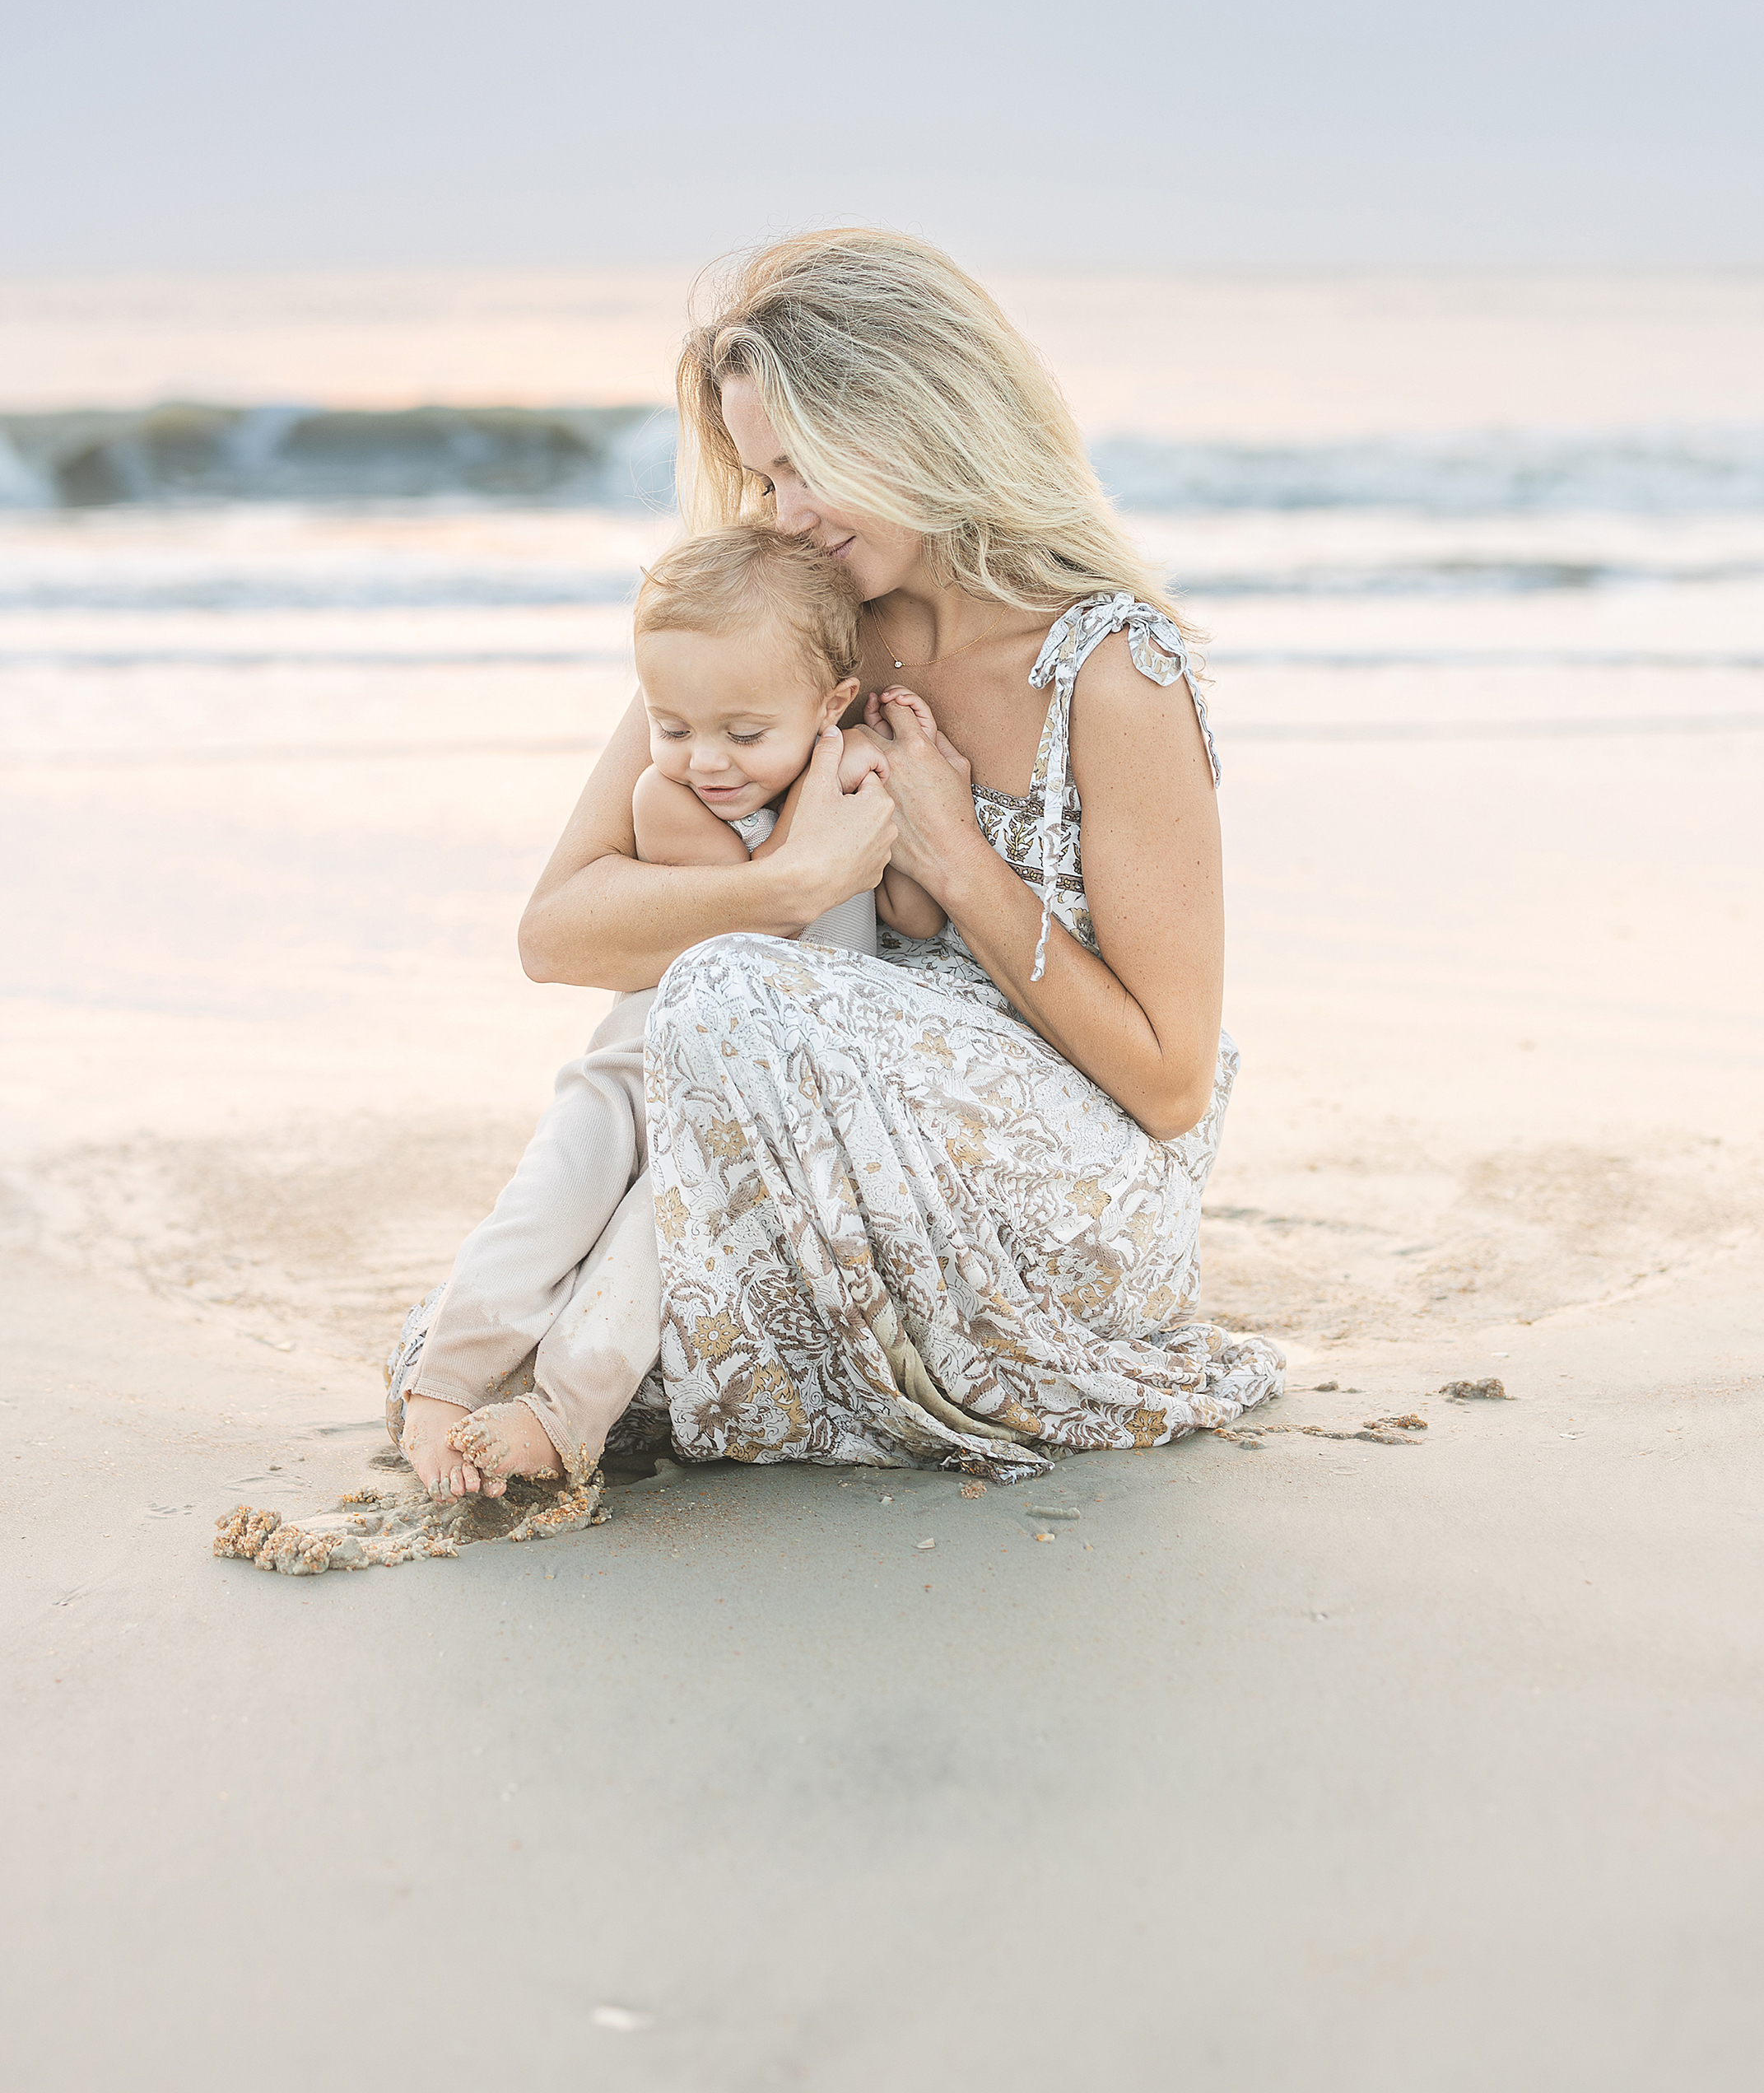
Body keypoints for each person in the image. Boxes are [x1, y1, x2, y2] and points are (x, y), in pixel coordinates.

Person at [393, 226, 1283, 1504]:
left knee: (715, 994)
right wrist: (784, 886)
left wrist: (954, 853)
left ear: (923, 424)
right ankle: (529, 1368)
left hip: (1070, 1190)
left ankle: (585, 1388)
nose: (784, 516)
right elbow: (558, 933)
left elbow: (1168, 1082)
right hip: (803, 1136)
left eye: (807, 467)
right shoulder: (785, 631)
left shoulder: (1108, 668)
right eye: (760, 477)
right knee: (678, 1032)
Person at [390, 526, 947, 1498]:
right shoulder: (667, 797)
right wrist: (822, 828)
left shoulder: (859, 776)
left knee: (654, 1239)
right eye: (673, 724)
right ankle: (445, 1378)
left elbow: (911, 916)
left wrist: (916, 802)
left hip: (745, 1113)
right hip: (635, 1067)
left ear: (830, 703)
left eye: (743, 732)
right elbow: (748, 929)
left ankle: (561, 1416)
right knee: (552, 1191)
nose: (706, 760)